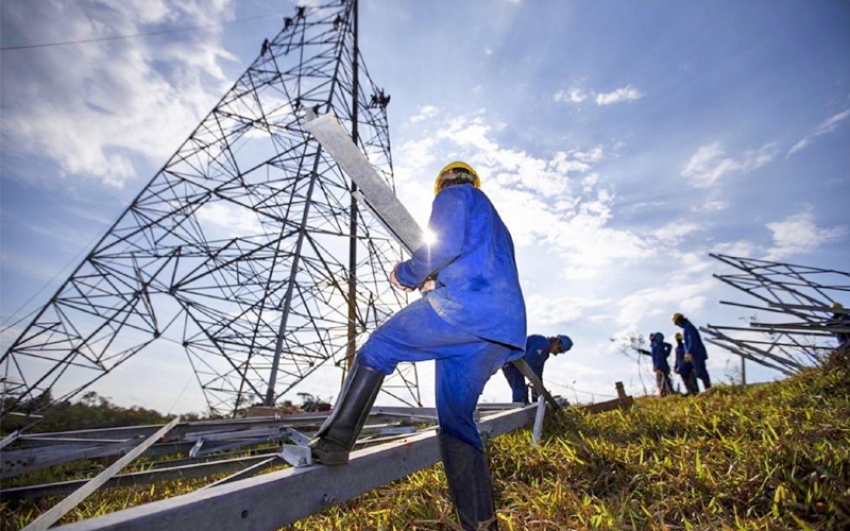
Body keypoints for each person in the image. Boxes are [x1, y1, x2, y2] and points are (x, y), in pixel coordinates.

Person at [309, 161, 526, 530]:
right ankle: (479, 522)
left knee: (379, 347)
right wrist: (435, 283)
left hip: (464, 313)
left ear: (445, 182)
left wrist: (408, 273)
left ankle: (334, 442)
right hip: (497, 333)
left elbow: (445, 245)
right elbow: (474, 263)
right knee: (457, 421)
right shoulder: (496, 224)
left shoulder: (456, 195)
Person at [502, 334, 573, 404]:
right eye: (559, 349)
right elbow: (531, 361)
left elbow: (539, 372)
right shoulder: (542, 343)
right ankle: (517, 412)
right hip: (511, 362)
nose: (557, 353)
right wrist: (534, 383)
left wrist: (539, 387)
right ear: (557, 341)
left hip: (518, 364)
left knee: (524, 394)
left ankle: (529, 412)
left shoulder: (545, 354)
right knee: (520, 391)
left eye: (560, 352)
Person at [673, 312, 711, 390]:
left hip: (697, 353)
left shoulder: (689, 328)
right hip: (695, 354)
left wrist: (689, 352)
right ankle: (706, 388)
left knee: (701, 372)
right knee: (698, 372)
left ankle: (708, 388)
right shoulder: (687, 328)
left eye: (677, 324)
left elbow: (692, 340)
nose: (678, 326)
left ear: (680, 321)